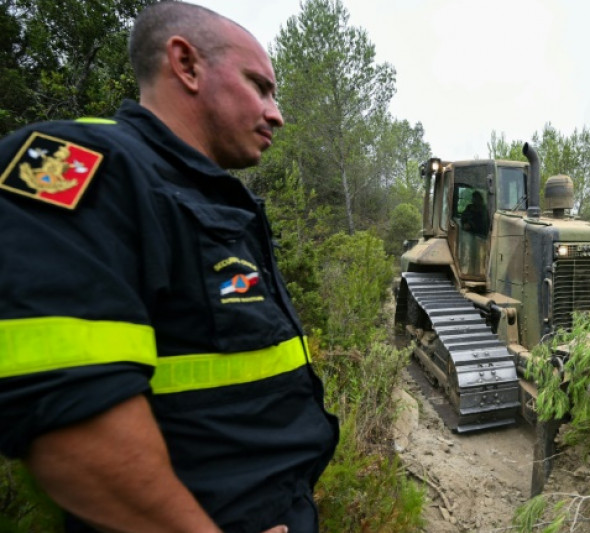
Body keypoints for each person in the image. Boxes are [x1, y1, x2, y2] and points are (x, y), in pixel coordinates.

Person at [0, 2, 338, 532]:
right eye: (259, 86)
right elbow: (72, 421)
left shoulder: (210, 195)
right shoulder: (79, 165)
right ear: (186, 64)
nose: (277, 113)